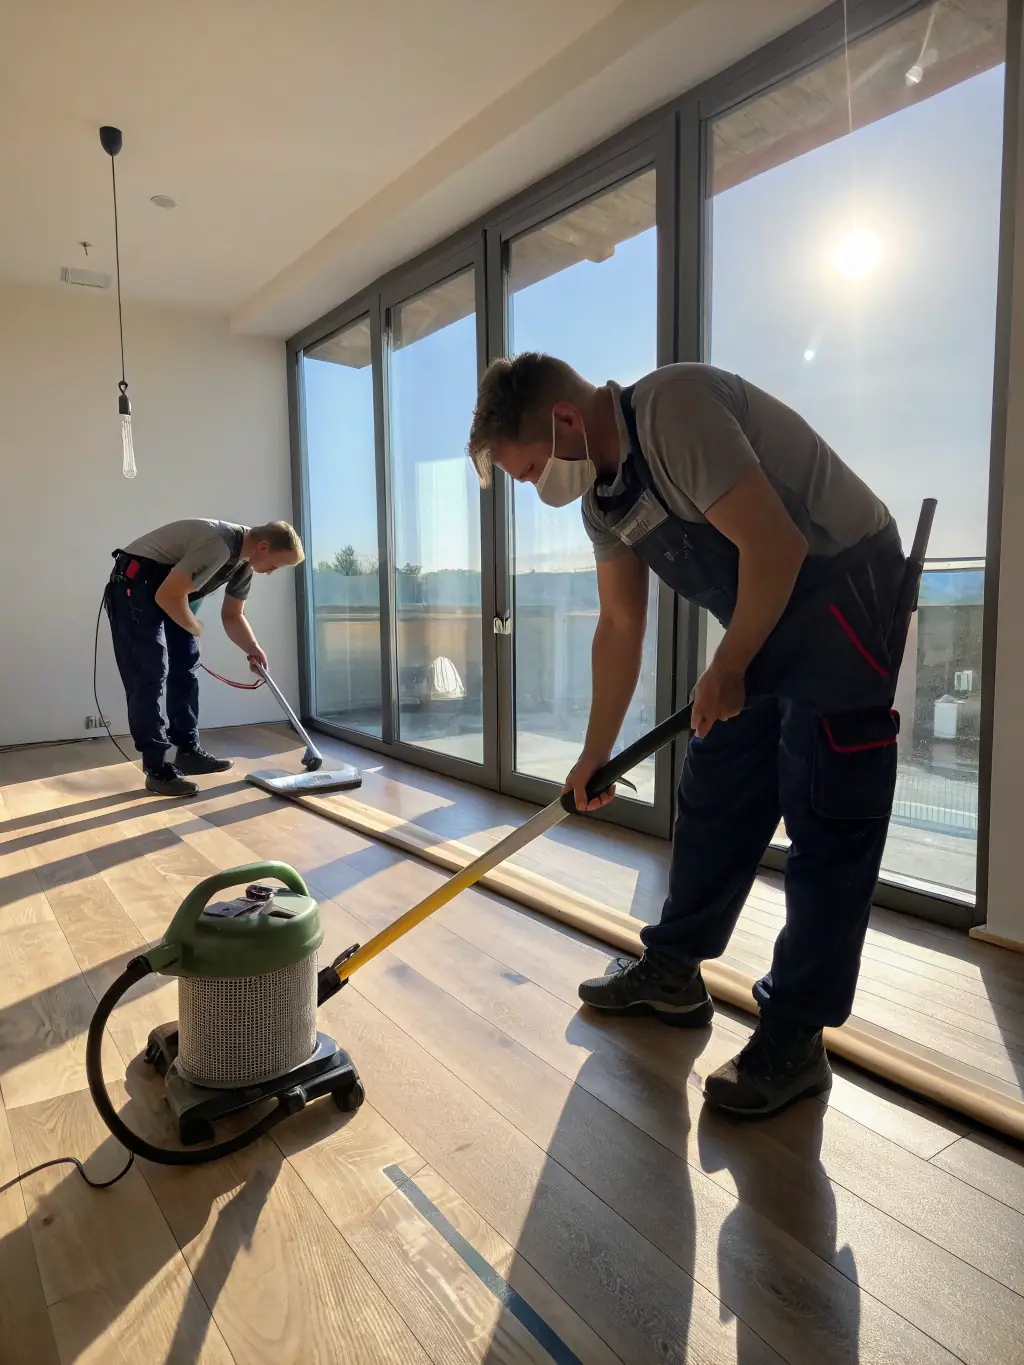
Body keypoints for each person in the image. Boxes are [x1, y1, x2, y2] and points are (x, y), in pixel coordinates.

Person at [467, 355, 906, 1118]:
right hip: (770, 604)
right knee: (717, 782)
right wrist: (593, 752)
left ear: (566, 421)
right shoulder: (603, 502)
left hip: (844, 590)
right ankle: (673, 971)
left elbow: (777, 546)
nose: (539, 488)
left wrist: (729, 662)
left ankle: (796, 1036)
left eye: (534, 470)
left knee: (828, 812)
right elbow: (619, 624)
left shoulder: (676, 410)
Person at [105, 519, 304, 797]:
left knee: (186, 661)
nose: (271, 572)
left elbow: (233, 615)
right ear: (263, 546)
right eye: (275, 565)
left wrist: (252, 648)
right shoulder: (219, 544)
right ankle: (157, 767)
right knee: (148, 671)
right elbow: (169, 595)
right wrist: (195, 627)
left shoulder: (244, 564)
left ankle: (188, 751)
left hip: (167, 590)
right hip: (135, 580)